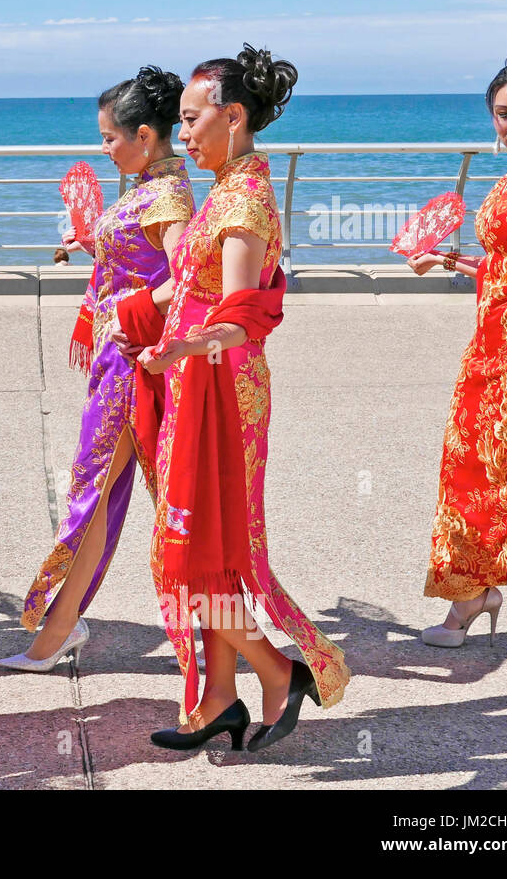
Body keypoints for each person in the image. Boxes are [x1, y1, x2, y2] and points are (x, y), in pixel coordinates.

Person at [134, 46, 350, 751]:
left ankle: (278, 670)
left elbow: (238, 312)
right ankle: (220, 700)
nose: (184, 133)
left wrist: (180, 347)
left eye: (193, 120)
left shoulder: (245, 199)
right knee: (211, 551)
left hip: (221, 388)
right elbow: (190, 291)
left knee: (189, 552)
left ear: (233, 116)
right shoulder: (229, 188)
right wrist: (135, 315)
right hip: (200, 377)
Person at [0, 67, 195, 670]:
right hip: (118, 361)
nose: (104, 150)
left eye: (109, 138)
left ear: (143, 135)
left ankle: (63, 630)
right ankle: (65, 626)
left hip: (140, 367)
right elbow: (137, 267)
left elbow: (188, 281)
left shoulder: (166, 197)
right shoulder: (144, 189)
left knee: (102, 490)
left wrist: (132, 320)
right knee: (102, 491)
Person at [408, 55, 507, 646]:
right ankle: (473, 593)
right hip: (490, 346)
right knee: (469, 469)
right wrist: (445, 260)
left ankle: (472, 598)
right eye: (504, 113)